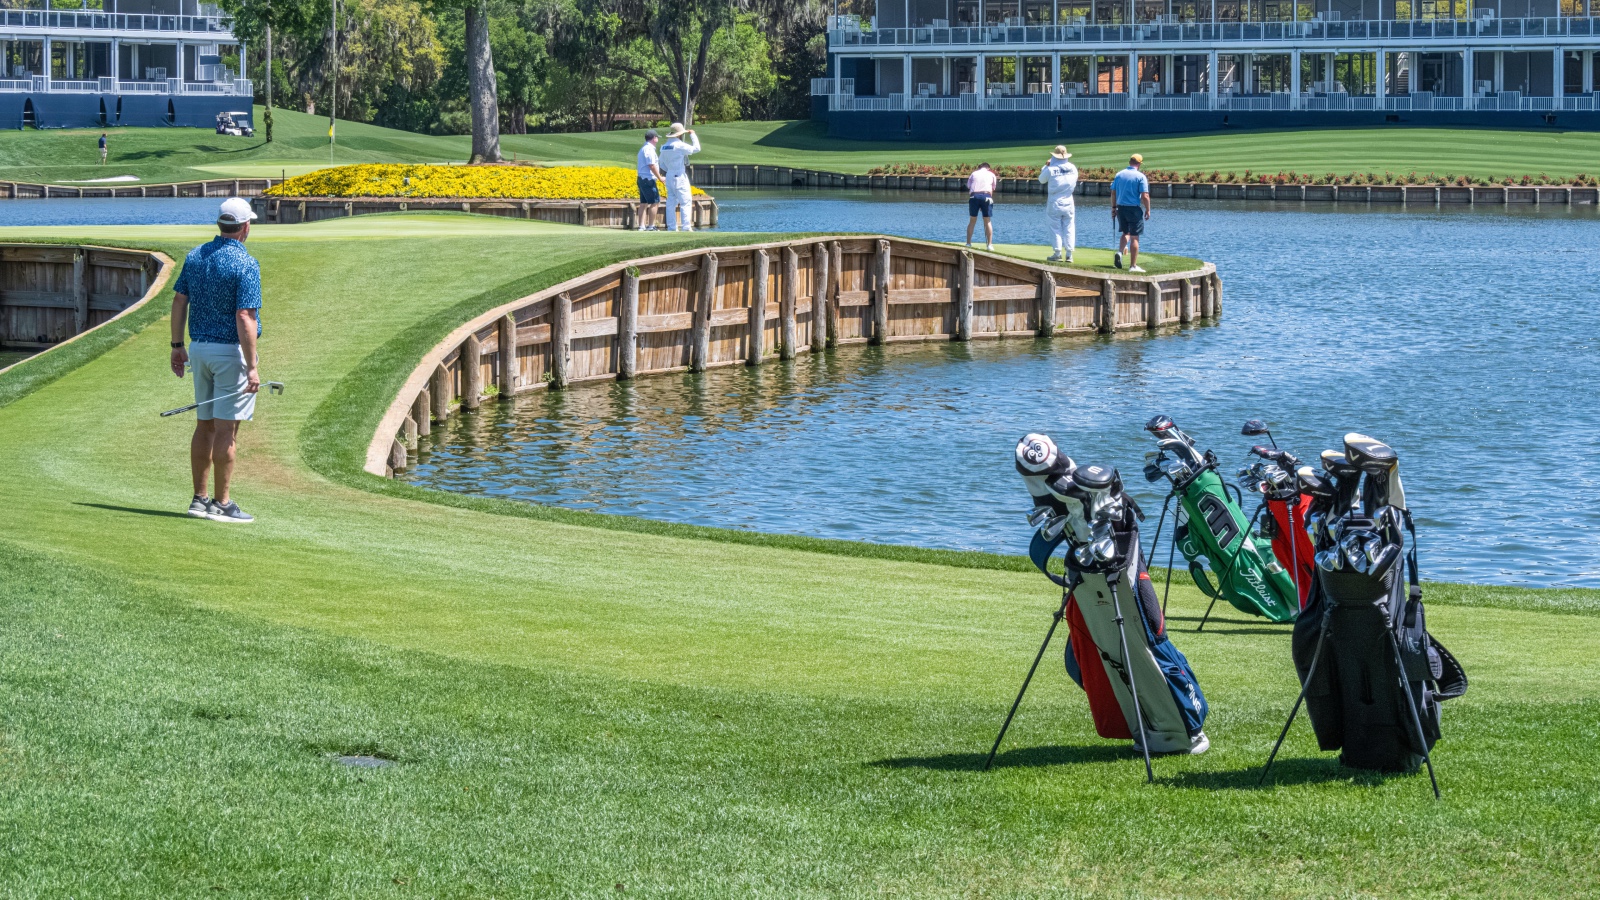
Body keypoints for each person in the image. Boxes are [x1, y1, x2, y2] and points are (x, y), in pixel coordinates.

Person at [169, 197, 263, 524]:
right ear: (245, 227)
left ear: (220, 224)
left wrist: (177, 345)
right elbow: (245, 317)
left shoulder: (195, 256)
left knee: (204, 426)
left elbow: (180, 300)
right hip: (229, 354)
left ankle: (199, 499)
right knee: (227, 430)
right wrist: (252, 366)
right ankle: (222, 504)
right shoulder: (246, 263)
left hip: (199, 349)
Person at [1111, 153, 1151, 274]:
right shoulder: (1140, 176)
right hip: (1133, 208)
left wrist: (1113, 208)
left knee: (1125, 232)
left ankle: (1119, 252)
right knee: (1135, 236)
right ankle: (1133, 266)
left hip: (1120, 208)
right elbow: (1145, 195)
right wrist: (1148, 210)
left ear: (1130, 162)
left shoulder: (1119, 174)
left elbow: (1113, 192)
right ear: (1139, 164)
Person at [658, 123, 701, 232]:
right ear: (680, 134)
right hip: (679, 175)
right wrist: (693, 135)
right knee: (685, 202)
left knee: (671, 202)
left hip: (669, 175)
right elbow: (697, 148)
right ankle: (686, 227)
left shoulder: (664, 147)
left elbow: (661, 164)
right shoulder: (680, 145)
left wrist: (670, 170)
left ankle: (672, 227)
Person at [1039, 145, 1078, 263]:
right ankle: (1069, 254)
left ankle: (1057, 253)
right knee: (1069, 226)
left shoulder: (1051, 169)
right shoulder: (1073, 168)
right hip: (1069, 200)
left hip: (1055, 201)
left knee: (1055, 227)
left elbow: (1041, 179)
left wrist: (1046, 166)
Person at [635, 128, 663, 231]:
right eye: (657, 137)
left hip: (642, 178)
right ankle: (651, 226)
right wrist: (660, 177)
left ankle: (641, 226)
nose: (658, 139)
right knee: (655, 202)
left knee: (644, 203)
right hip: (648, 179)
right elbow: (651, 165)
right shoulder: (649, 149)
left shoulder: (644, 148)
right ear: (654, 138)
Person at [965, 162, 997, 251]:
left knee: (972, 220)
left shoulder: (974, 173)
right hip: (986, 196)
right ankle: (990, 245)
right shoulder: (991, 174)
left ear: (979, 167)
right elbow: (992, 189)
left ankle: (968, 243)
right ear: (988, 168)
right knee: (987, 220)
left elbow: (969, 186)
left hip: (974, 196)